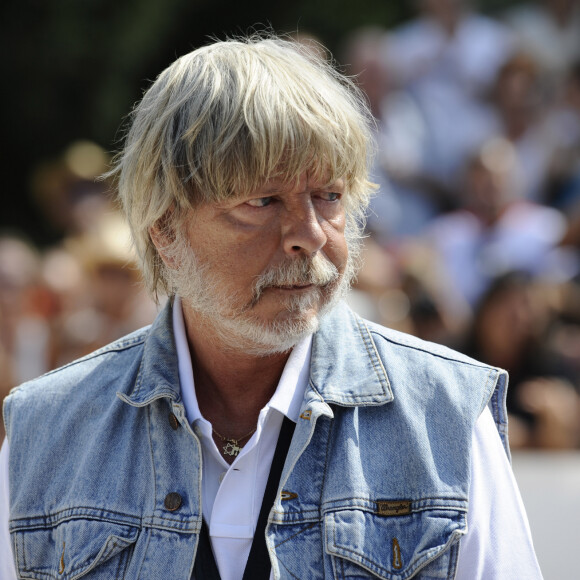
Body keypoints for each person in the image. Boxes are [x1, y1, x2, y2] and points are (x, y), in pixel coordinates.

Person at [0, 35, 542, 579]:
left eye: (329, 195)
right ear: (164, 230)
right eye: (262, 201)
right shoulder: (47, 433)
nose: (307, 235)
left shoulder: (443, 416)